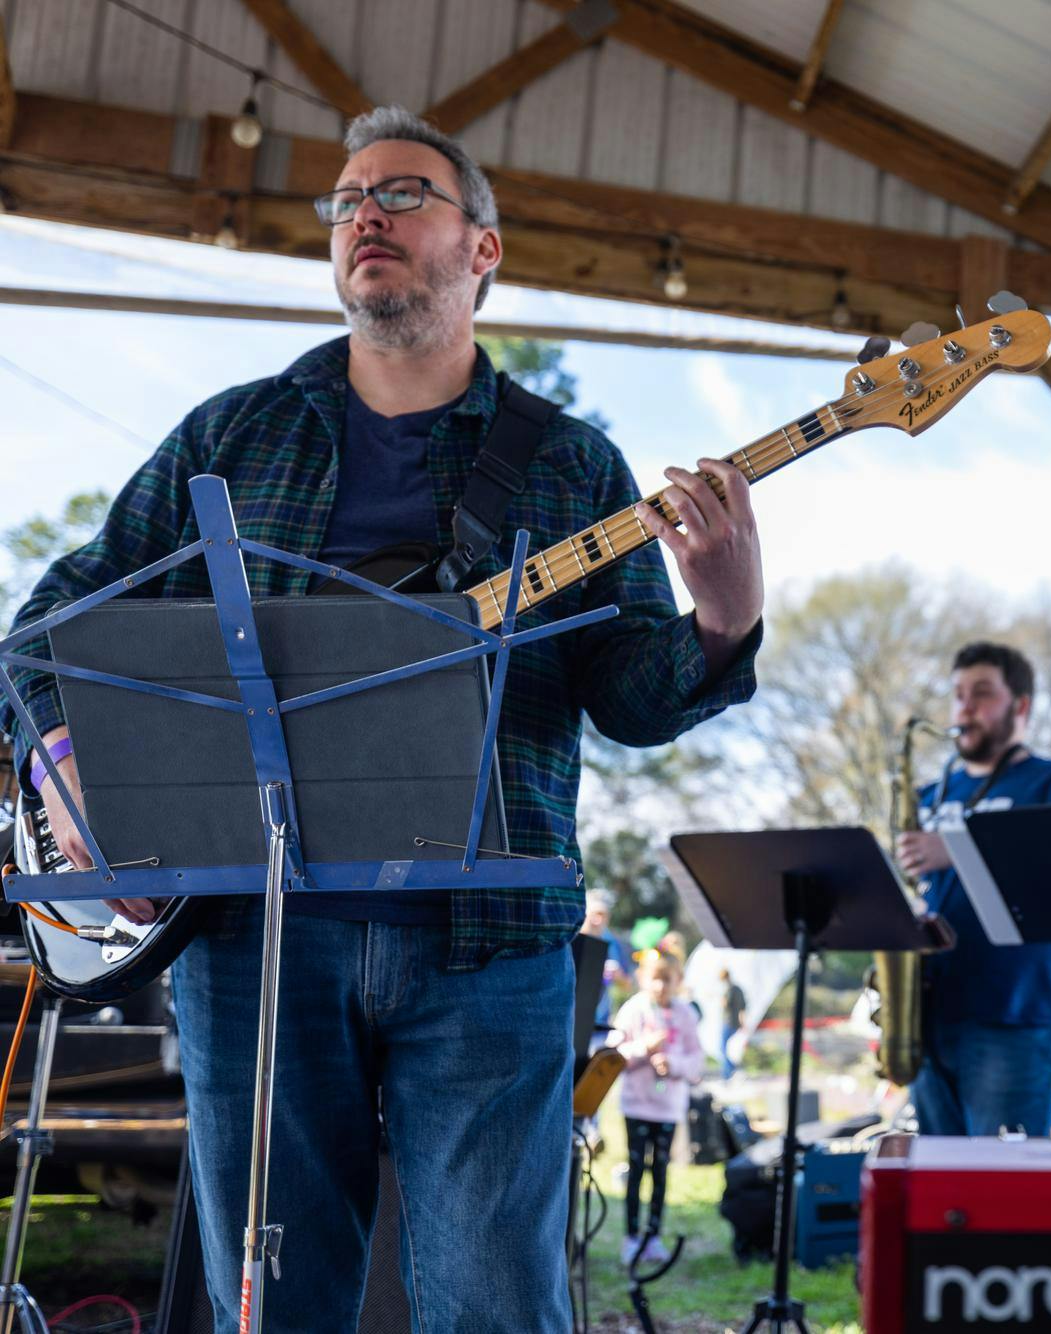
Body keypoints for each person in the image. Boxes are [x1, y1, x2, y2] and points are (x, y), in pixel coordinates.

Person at [3, 106, 763, 1330]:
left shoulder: (569, 463)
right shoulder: (235, 431)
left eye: (403, 193)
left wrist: (720, 620)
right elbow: (48, 623)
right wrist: (67, 769)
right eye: (347, 199)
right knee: (270, 1295)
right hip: (252, 928)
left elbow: (629, 696)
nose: (365, 214)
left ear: (482, 249)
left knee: (490, 1300)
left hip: (487, 936)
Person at [894, 642, 1051, 1136]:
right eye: (958, 694)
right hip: (929, 1014)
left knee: (1001, 1189)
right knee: (938, 1193)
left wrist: (957, 849)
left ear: (1020, 706)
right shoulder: (929, 794)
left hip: (1015, 1016)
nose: (964, 706)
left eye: (981, 693)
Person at [609, 950, 703, 1265]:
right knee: (636, 1171)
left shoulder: (686, 1014)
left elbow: (696, 1062)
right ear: (642, 978)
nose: (661, 986)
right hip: (637, 1105)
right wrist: (642, 1048)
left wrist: (672, 1063)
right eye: (655, 979)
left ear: (678, 981)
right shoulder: (633, 1009)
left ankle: (654, 1236)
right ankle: (632, 1236)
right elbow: (613, 1056)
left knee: (660, 1171)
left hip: (668, 1107)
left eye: (668, 980)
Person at [584, 888, 634, 1050]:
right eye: (594, 914)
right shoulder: (571, 941)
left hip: (600, 1027)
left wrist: (618, 975)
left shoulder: (613, 944)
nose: (598, 920)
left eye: (603, 915)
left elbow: (628, 985)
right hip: (572, 1024)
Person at [718, 966, 748, 1080]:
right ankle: (731, 1070)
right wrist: (743, 1023)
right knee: (728, 1048)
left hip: (728, 1021)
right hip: (736, 1023)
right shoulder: (738, 989)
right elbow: (742, 1007)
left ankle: (729, 1071)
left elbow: (726, 1004)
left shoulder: (729, 989)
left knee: (723, 1048)